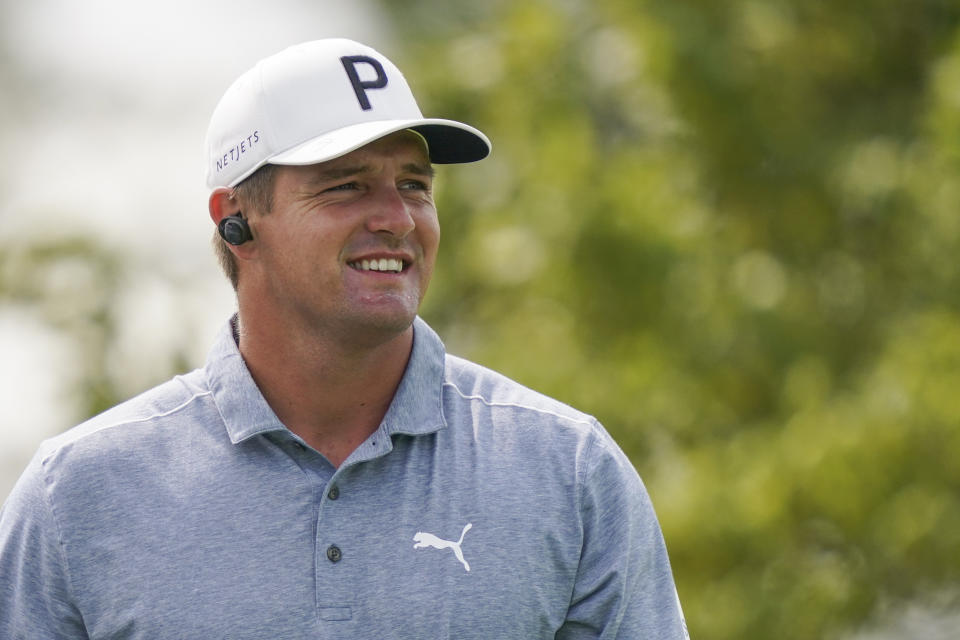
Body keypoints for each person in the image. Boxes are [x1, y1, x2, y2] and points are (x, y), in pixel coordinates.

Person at [0, 38, 689, 639]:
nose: (396, 217)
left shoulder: (569, 472)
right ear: (237, 218)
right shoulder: (78, 495)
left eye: (415, 185)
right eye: (347, 186)